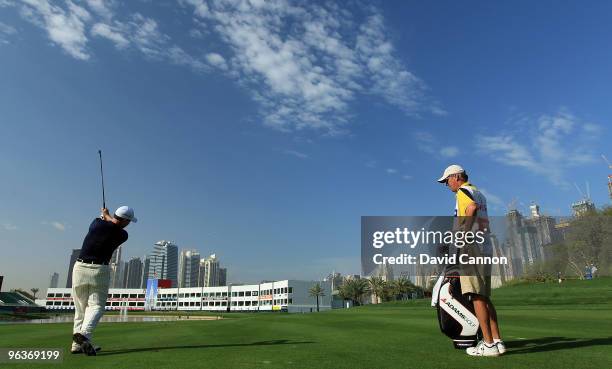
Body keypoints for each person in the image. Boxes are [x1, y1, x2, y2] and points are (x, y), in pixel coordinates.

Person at [437, 165, 505, 357]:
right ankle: (497, 341)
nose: (447, 184)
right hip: (485, 247)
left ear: (457, 177)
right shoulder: (478, 192)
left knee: (475, 295)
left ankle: (489, 344)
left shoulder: (463, 191)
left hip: (471, 248)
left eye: (447, 180)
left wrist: (462, 236)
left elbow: (471, 209)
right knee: (483, 296)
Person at [71, 206, 137, 356]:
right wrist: (107, 216)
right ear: (125, 221)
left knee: (80, 308)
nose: (128, 224)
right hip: (99, 270)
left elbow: (107, 222)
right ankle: (85, 335)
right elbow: (113, 225)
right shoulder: (122, 234)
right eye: (129, 221)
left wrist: (105, 215)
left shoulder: (96, 223)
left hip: (79, 267)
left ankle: (76, 345)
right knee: (96, 306)